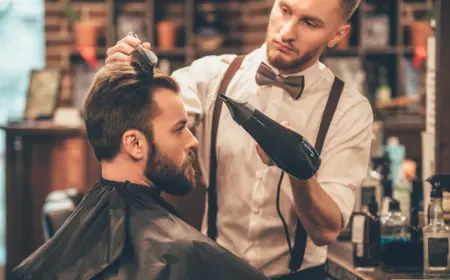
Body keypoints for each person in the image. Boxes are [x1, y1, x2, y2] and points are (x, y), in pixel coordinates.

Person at [105, 0, 373, 279]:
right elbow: (140, 124)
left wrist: (298, 169)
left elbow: (325, 231)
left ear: (337, 35)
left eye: (310, 23)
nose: (287, 32)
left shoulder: (348, 110)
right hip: (214, 271)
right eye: (285, 10)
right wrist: (123, 77)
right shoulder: (212, 76)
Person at [11, 63, 270, 280]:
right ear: (135, 144)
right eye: (179, 129)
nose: (193, 141)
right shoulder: (184, 252)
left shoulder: (42, 262)